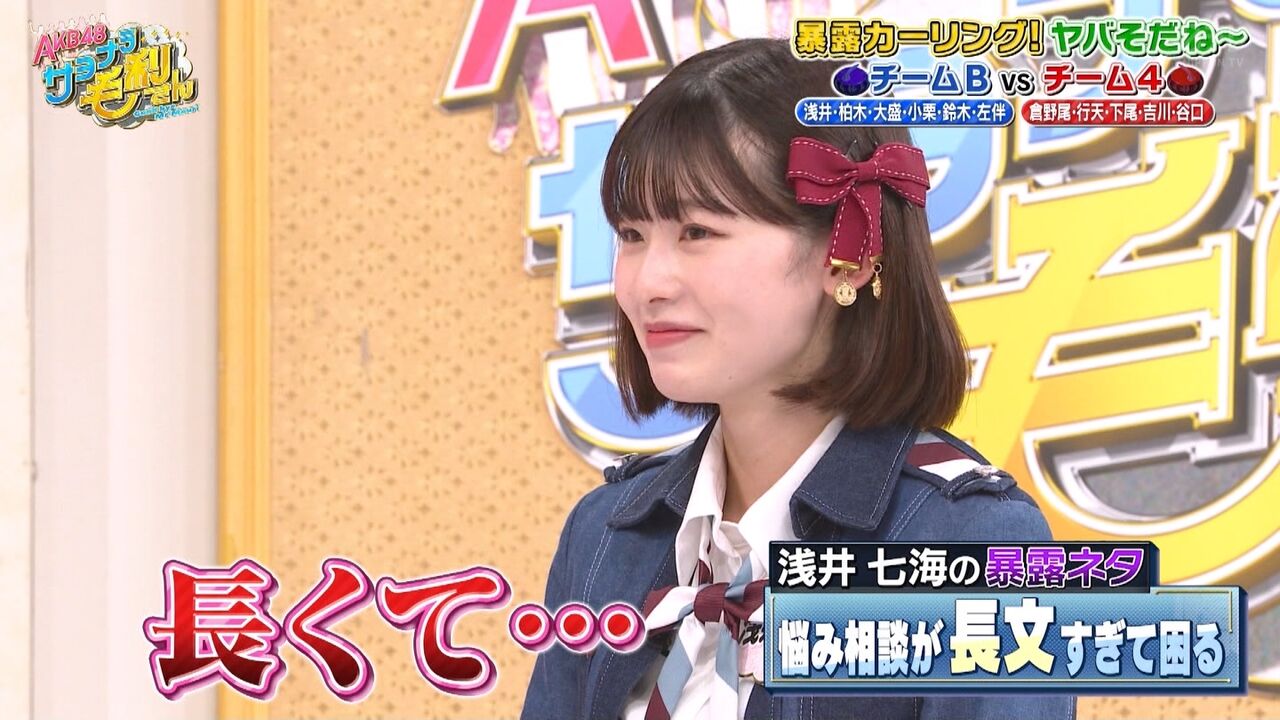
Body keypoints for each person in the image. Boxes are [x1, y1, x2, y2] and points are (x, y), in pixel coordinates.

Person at [520, 37, 1075, 720]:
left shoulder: (972, 543)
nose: (647, 283)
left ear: (847, 258)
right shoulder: (607, 533)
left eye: (697, 232)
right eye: (632, 235)